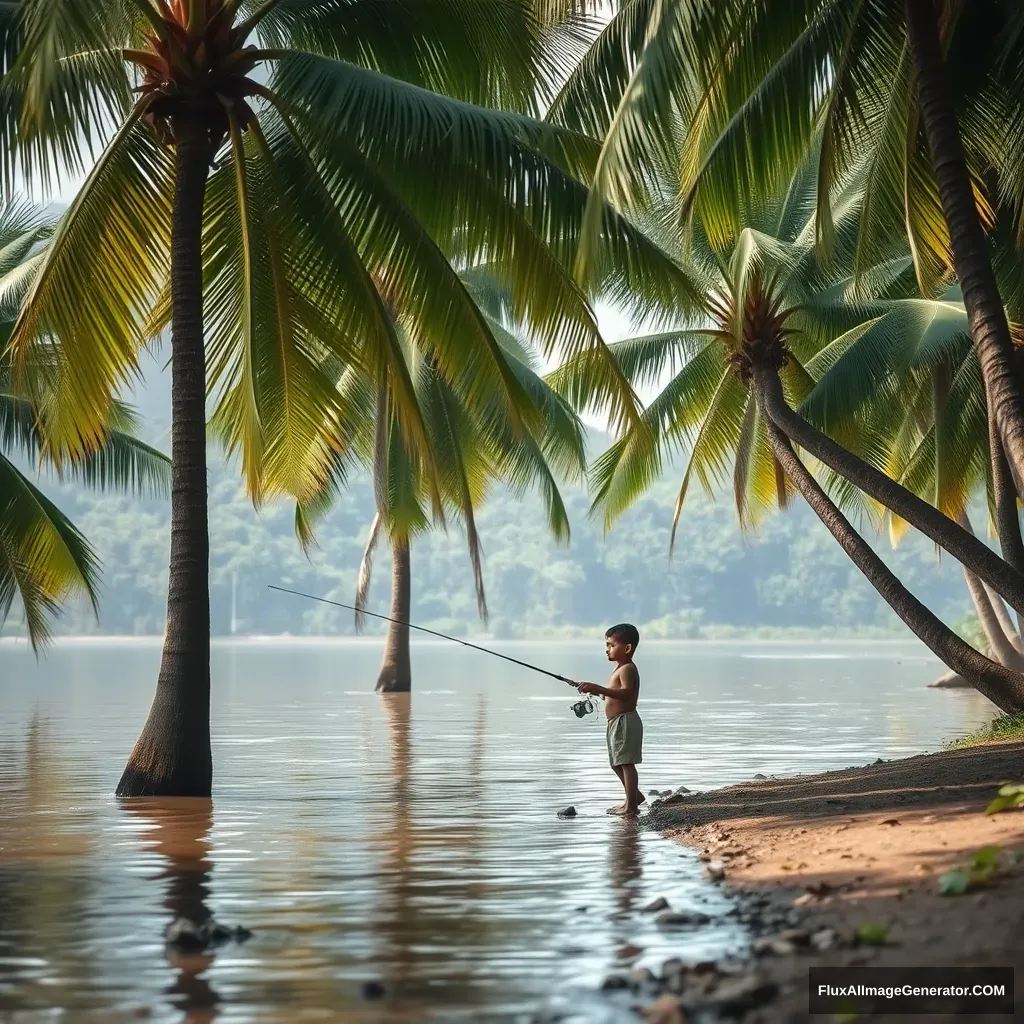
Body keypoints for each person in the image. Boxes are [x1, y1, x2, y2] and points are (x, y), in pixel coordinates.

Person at [570, 624, 644, 815]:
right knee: (616, 763)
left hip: (625, 722)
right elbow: (612, 694)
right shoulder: (618, 669)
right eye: (606, 645)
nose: (607, 649)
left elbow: (626, 694)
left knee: (626, 763)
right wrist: (594, 691)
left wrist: (599, 688)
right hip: (615, 723)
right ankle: (634, 796)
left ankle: (632, 807)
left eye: (611, 645)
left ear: (627, 648)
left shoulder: (627, 669)